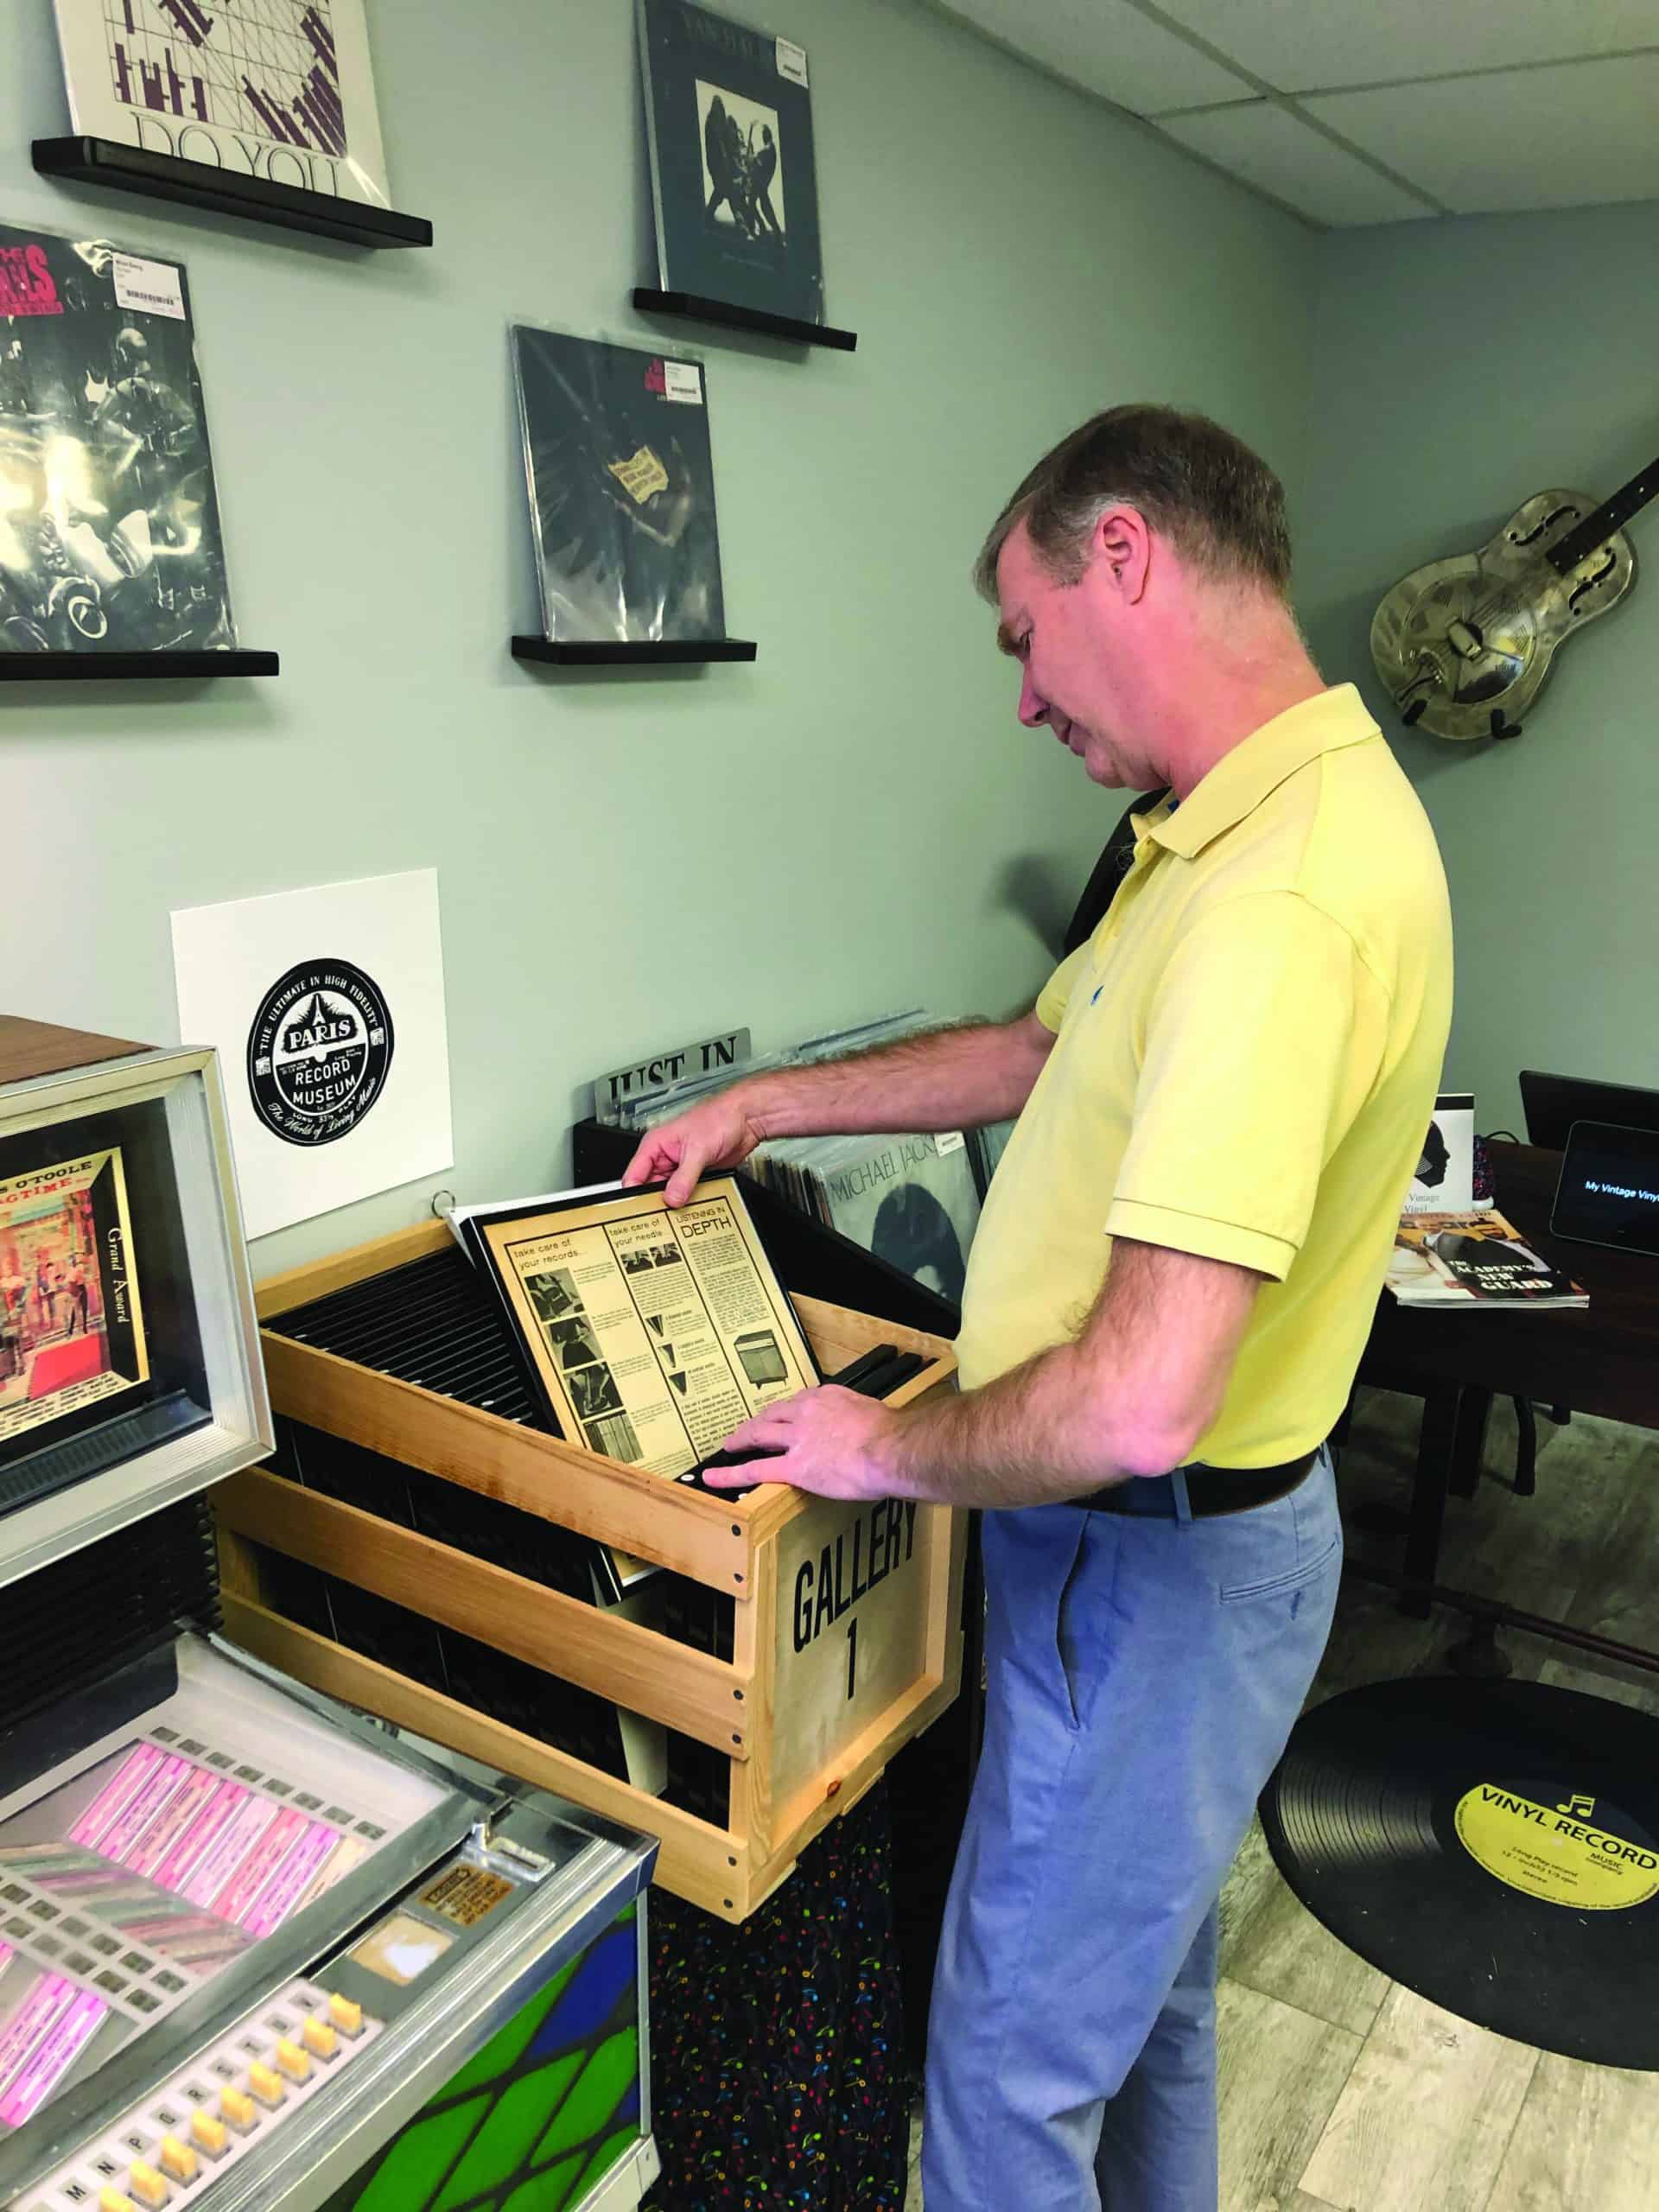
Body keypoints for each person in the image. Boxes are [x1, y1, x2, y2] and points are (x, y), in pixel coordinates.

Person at [623, 404, 1452, 2211]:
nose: (1021, 699)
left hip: (1154, 1570)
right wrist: (769, 1105)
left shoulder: (1282, 900)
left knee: (1006, 2091)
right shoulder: (1237, 826)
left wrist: (884, 1447)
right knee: (1148, 2012)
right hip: (1184, 1562)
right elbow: (1030, 1047)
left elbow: (1143, 1398)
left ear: (1124, 554)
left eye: (1023, 635)